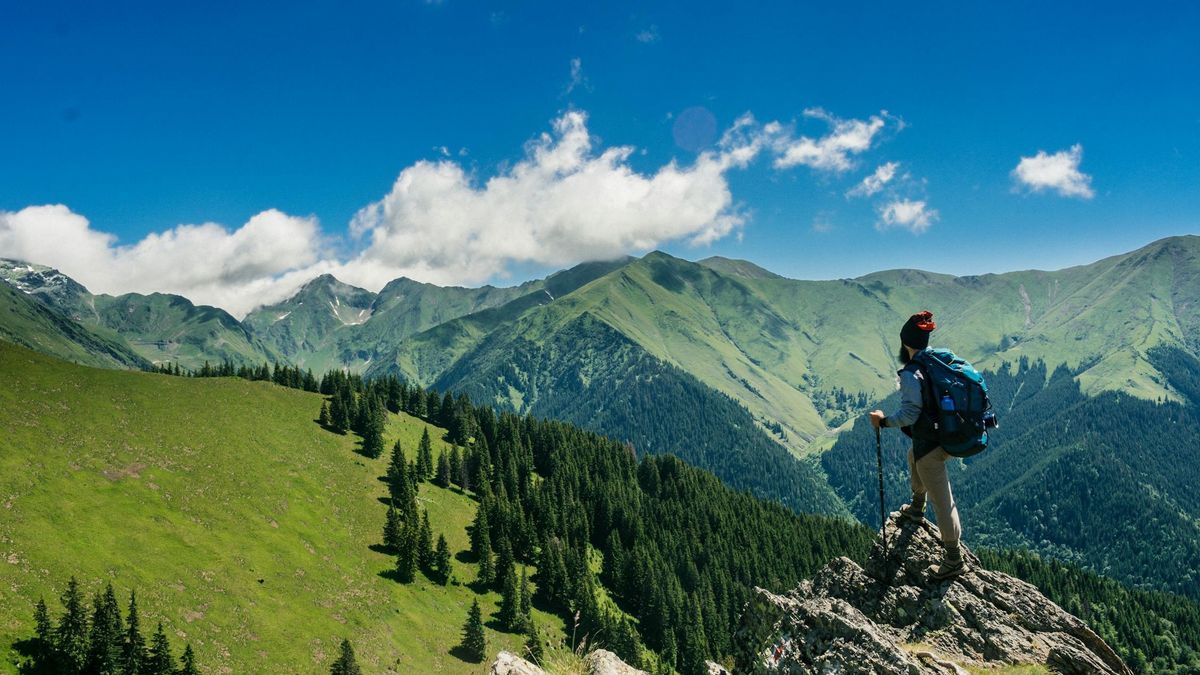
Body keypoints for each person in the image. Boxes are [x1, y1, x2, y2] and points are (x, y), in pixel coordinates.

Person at [868, 310, 966, 580]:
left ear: (906, 343)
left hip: (933, 445)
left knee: (943, 500)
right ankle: (916, 506)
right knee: (914, 456)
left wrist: (883, 421)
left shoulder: (913, 373)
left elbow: (910, 414)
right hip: (947, 434)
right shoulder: (938, 360)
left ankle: (953, 558)